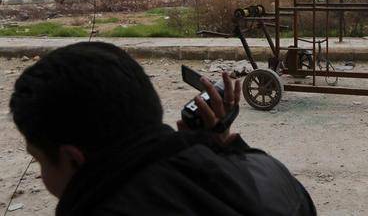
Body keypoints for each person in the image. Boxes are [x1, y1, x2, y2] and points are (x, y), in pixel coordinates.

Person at [10, 42, 316, 215]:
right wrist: (220, 149)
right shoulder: (271, 175)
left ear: (73, 159)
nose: (41, 175)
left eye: (38, 160)